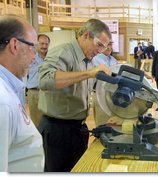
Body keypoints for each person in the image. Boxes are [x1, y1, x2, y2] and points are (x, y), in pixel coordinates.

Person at [37, 18, 112, 172]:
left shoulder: (88, 60)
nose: (100, 50)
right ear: (85, 35)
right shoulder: (64, 52)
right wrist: (88, 73)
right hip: (57, 131)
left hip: (77, 130)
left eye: (103, 47)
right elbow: (45, 80)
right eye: (99, 45)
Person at [0, 14, 44, 172]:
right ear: (14, 45)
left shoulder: (9, 87)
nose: (34, 58)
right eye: (32, 47)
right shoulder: (2, 100)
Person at [25, 34, 50, 127]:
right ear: (37, 44)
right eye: (42, 43)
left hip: (48, 92)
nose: (44, 46)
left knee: (49, 120)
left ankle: (48, 141)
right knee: (37, 121)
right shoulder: (30, 57)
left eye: (46, 44)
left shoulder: (51, 58)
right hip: (34, 92)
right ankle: (39, 141)